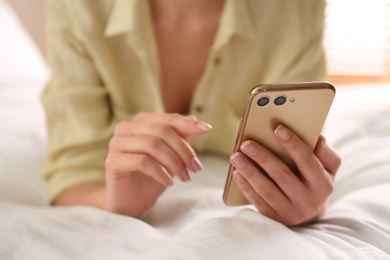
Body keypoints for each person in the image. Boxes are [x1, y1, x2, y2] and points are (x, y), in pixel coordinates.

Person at [41, 0, 341, 226]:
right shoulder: (77, 8)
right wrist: (112, 202)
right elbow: (72, 172)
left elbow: (294, 156)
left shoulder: (295, 9)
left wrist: (310, 205)